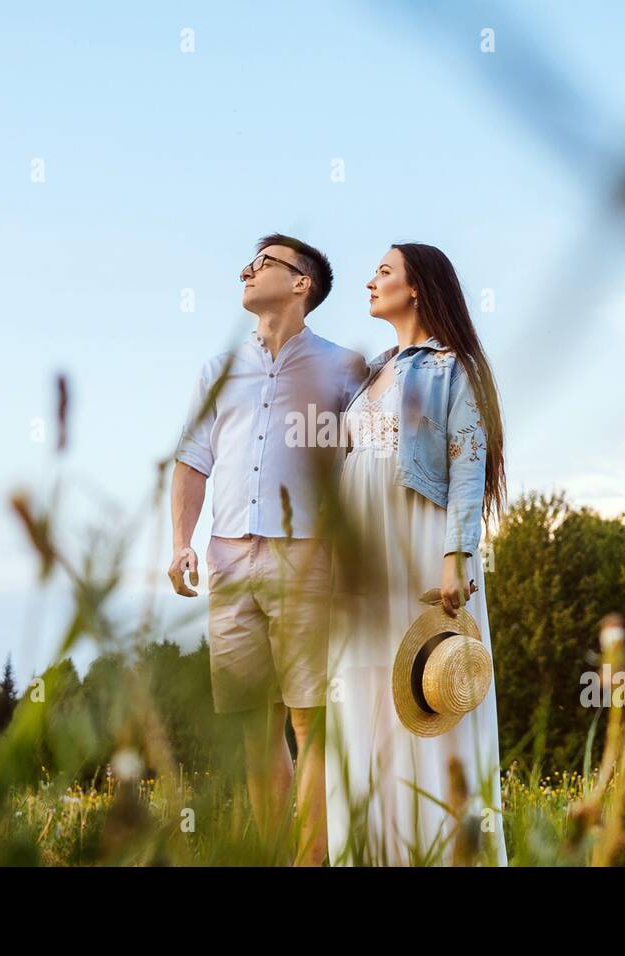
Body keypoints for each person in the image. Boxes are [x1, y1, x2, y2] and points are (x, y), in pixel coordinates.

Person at [169, 233, 366, 866]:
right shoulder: (216, 369)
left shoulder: (346, 368)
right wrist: (181, 544)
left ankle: (313, 861)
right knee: (256, 726)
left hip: (308, 556)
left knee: (311, 721)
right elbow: (192, 462)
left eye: (264, 263)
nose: (248, 270)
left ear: (301, 282)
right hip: (227, 560)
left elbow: (368, 465)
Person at [325, 242, 509, 866]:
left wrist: (456, 557)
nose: (369, 281)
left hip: (420, 538)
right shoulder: (370, 371)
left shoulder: (452, 367)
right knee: (361, 689)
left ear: (419, 289)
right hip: (365, 544)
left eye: (383, 271)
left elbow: (467, 463)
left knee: (426, 682)